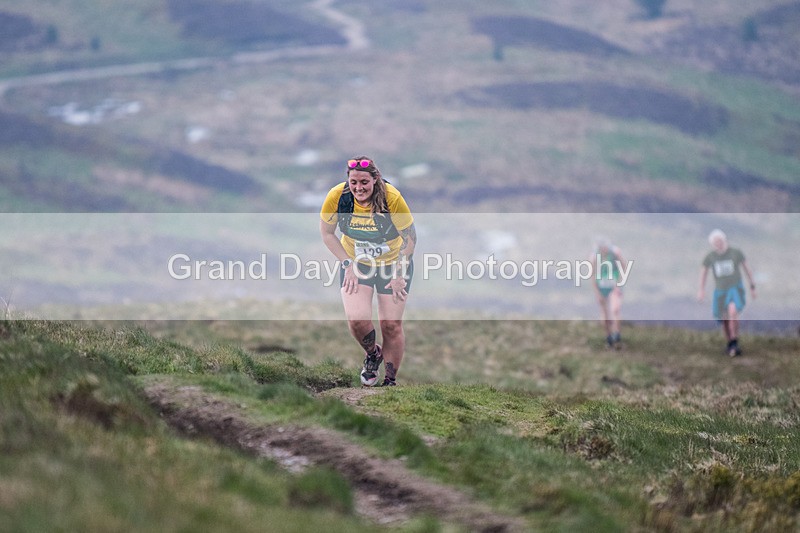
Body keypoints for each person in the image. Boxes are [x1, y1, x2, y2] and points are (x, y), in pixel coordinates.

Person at [320, 156, 417, 387]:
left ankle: (390, 382)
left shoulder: (391, 198)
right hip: (356, 263)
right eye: (354, 182)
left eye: (364, 182)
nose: (358, 187)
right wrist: (347, 264)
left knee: (391, 325)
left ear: (375, 180)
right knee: (357, 320)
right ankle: (373, 354)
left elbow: (410, 239)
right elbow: (327, 234)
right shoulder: (338, 197)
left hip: (392, 264)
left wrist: (399, 274)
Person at [697, 229, 756, 357]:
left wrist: (752, 286)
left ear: (725, 240)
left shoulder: (735, 253)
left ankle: (735, 341)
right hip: (720, 292)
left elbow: (747, 270)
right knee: (724, 318)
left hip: (735, 289)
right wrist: (701, 289)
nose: (718, 243)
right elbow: (703, 273)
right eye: (715, 242)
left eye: (720, 241)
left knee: (733, 311)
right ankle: (729, 342)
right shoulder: (710, 257)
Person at [590, 237, 627, 349]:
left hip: (614, 285)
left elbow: (624, 267)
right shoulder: (594, 256)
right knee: (605, 314)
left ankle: (617, 335)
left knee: (615, 310)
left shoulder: (615, 253)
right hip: (602, 287)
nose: (603, 250)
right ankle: (609, 337)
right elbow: (592, 275)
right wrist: (597, 292)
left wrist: (618, 284)